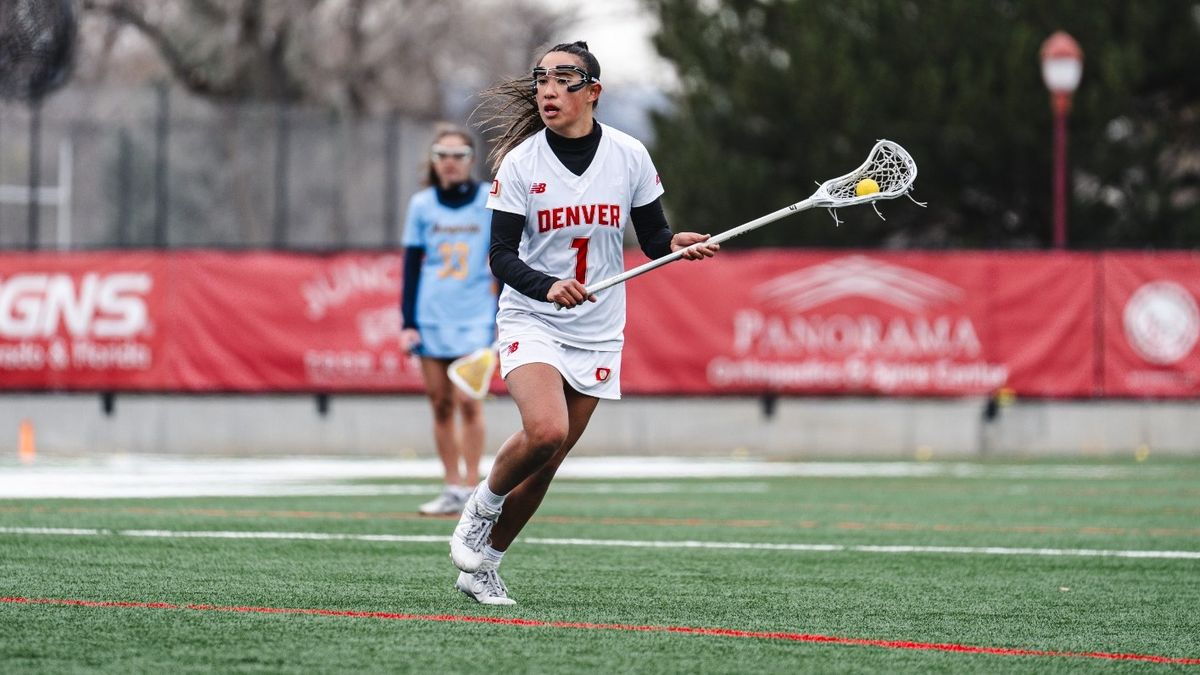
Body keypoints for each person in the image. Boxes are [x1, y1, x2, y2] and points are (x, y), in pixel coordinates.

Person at [449, 41, 718, 605]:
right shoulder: (521, 163)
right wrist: (546, 286)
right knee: (544, 430)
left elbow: (651, 238)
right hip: (533, 316)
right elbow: (499, 255)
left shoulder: (629, 155)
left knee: (549, 459)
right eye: (541, 78)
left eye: (563, 78)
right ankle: (481, 507)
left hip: (598, 327)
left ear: (592, 91)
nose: (547, 88)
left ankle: (485, 566)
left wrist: (675, 243)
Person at [400, 126, 497, 516]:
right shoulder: (422, 205)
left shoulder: (488, 199)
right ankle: (451, 485)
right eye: (443, 155)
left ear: (471, 160)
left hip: (475, 317)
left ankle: (474, 488)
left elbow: (501, 256)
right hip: (431, 316)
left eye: (458, 155)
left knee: (469, 401)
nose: (451, 163)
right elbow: (410, 266)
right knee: (440, 404)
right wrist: (408, 320)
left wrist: (503, 312)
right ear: (434, 161)